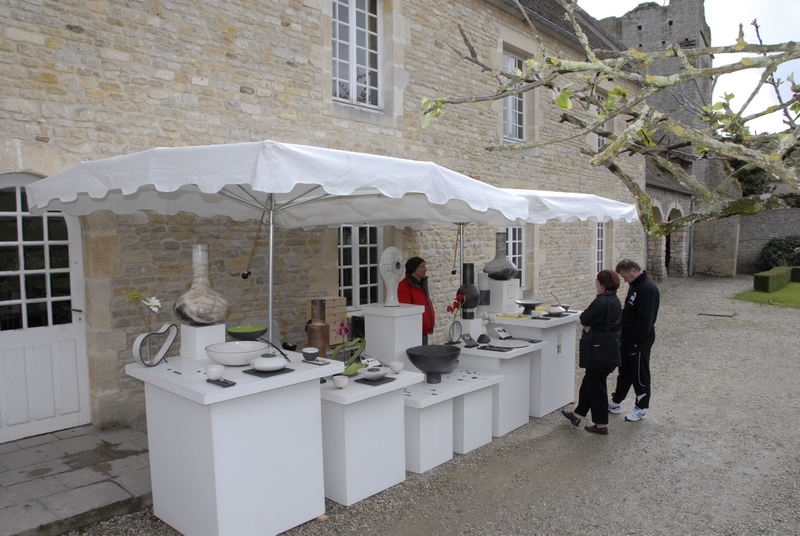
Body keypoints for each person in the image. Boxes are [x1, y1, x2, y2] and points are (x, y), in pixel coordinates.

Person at [561, 270, 622, 435]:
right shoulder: (615, 299)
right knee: (589, 383)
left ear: (603, 284)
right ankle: (577, 415)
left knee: (597, 387)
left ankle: (601, 425)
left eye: (597, 283)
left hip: (600, 350)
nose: (596, 286)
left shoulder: (601, 301)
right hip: (609, 349)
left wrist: (590, 326)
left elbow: (585, 318)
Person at [608, 259, 660, 422]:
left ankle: (641, 407)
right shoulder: (635, 286)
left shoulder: (648, 289)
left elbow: (647, 319)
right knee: (625, 372)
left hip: (639, 341)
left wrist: (637, 341)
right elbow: (630, 311)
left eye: (625, 277)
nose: (625, 280)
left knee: (639, 373)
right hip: (627, 338)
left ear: (633, 270)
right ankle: (616, 402)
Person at [397, 256, 435, 345]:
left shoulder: (421, 284)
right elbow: (406, 309)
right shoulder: (404, 286)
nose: (425, 269)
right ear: (413, 268)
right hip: (415, 331)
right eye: (422, 266)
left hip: (423, 330)